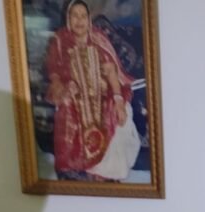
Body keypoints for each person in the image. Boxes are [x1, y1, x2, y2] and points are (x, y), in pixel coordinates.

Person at [44, 0, 141, 180]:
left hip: (102, 94)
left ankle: (105, 172)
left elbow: (112, 72)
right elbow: (54, 71)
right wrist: (62, 87)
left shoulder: (98, 38)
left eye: (83, 16)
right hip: (74, 96)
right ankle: (83, 167)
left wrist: (118, 100)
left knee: (115, 112)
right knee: (68, 109)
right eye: (75, 16)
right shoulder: (60, 40)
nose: (79, 20)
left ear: (89, 19)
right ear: (68, 18)